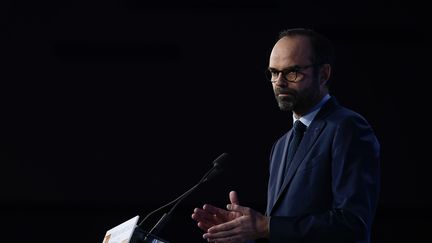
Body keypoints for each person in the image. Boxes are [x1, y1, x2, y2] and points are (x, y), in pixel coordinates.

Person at [191, 28, 380, 243]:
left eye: (292, 72)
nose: (279, 82)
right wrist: (246, 233)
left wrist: (265, 225)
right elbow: (280, 232)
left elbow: (352, 225)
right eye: (273, 72)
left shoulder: (347, 127)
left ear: (324, 74)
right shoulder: (280, 146)